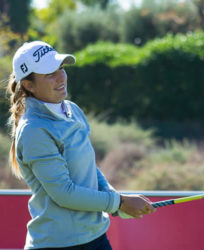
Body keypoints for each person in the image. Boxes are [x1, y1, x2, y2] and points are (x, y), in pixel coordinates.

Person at [6, 41, 156, 249]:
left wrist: (116, 203)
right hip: (56, 244)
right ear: (29, 85)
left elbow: (88, 168)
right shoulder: (34, 130)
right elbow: (64, 193)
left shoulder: (72, 110)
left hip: (95, 238)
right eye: (49, 73)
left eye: (61, 68)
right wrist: (119, 202)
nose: (60, 77)